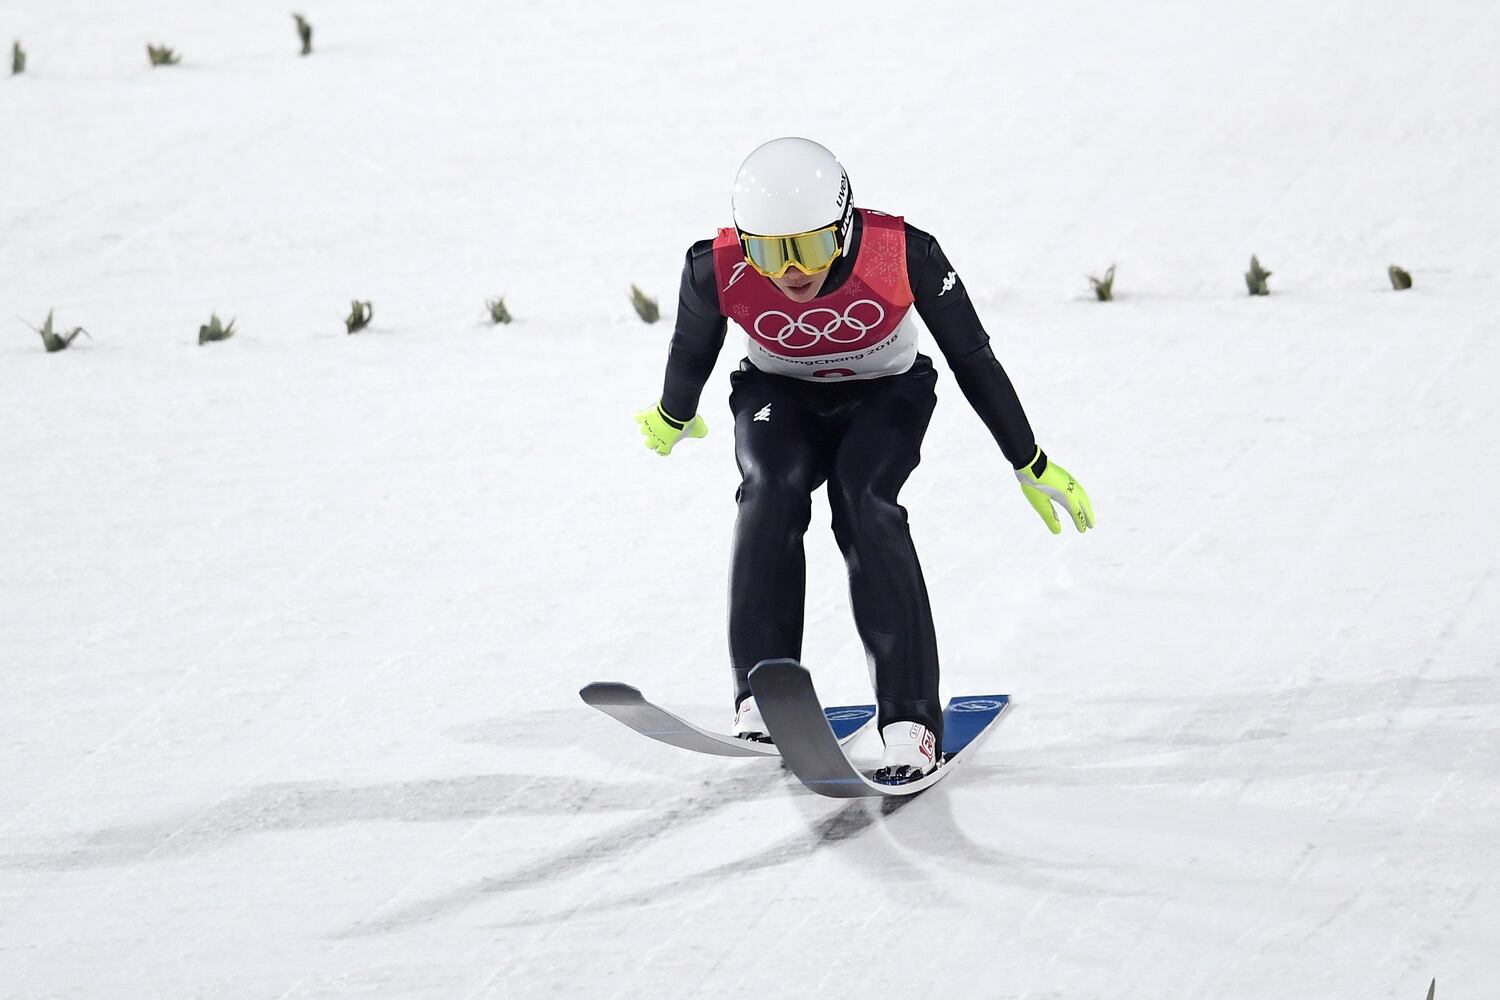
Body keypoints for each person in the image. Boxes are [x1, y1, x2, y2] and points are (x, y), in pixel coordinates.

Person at [634, 137, 1094, 783]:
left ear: (847, 225)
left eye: (812, 247)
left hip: (886, 393)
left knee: (864, 503)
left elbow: (973, 358)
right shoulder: (715, 267)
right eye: (770, 252)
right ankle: (758, 694)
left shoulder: (903, 253)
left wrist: (1030, 459)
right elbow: (692, 347)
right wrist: (674, 412)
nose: (793, 271)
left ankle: (911, 722)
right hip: (778, 394)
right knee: (770, 491)